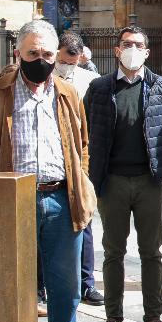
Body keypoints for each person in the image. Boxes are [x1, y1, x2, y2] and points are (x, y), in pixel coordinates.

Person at [0, 19, 94, 322]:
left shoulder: (68, 94)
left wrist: (79, 179)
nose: (41, 59)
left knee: (65, 290)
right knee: (12, 288)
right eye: (33, 52)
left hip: (61, 199)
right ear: (18, 53)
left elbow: (81, 144)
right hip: (11, 201)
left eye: (48, 53)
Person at [83, 25, 162, 322]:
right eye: (127, 44)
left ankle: (153, 319)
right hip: (112, 183)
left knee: (151, 252)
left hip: (149, 182)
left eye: (138, 44)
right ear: (117, 50)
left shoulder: (161, 87)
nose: (132, 49)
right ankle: (113, 320)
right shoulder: (98, 88)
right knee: (113, 252)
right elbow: (87, 132)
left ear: (147, 52)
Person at [52, 30, 104, 307]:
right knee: (41, 224)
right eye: (63, 61)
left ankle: (86, 284)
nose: (67, 67)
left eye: (72, 62)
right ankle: (39, 286)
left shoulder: (90, 81)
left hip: (80, 161)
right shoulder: (43, 78)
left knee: (84, 221)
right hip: (49, 161)